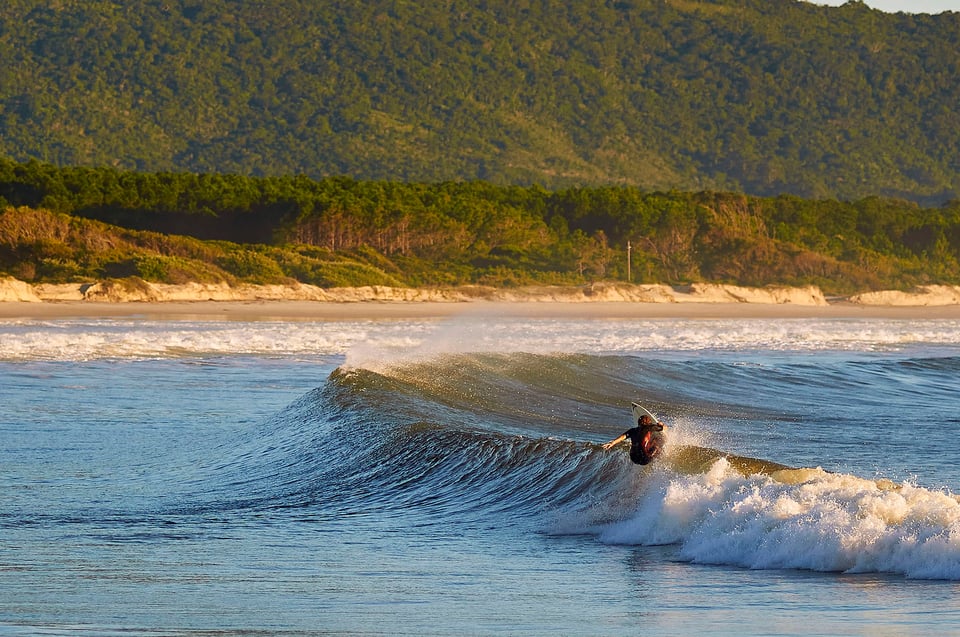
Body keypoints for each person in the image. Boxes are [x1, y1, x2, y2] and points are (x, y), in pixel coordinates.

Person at [602, 414, 667, 465]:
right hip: (645, 458)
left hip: (634, 458)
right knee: (659, 439)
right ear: (649, 423)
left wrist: (612, 443)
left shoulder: (633, 430)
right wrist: (661, 424)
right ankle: (661, 456)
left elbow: (623, 437)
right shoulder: (650, 427)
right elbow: (664, 428)